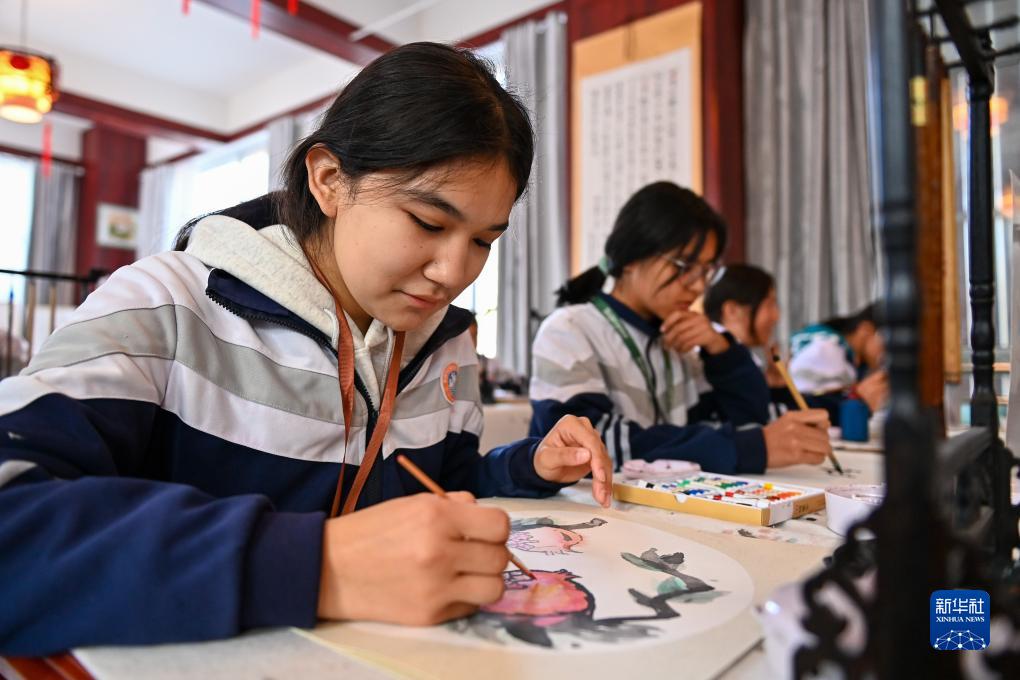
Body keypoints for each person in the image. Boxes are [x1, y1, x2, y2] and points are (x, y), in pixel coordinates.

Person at [0, 43, 612, 656]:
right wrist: (318, 565)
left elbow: (441, 487)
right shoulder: (165, 305)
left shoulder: (447, 344)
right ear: (329, 180)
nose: (453, 273)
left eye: (482, 241)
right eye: (428, 223)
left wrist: (526, 466)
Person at [529, 182, 832, 475]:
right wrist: (747, 448)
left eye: (706, 271)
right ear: (631, 257)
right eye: (684, 266)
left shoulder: (680, 343)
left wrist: (722, 352)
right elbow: (591, 448)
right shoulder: (569, 329)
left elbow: (748, 421)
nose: (698, 287)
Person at [788, 305, 888, 418]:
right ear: (866, 329)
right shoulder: (824, 350)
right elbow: (815, 410)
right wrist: (859, 398)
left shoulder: (855, 360)